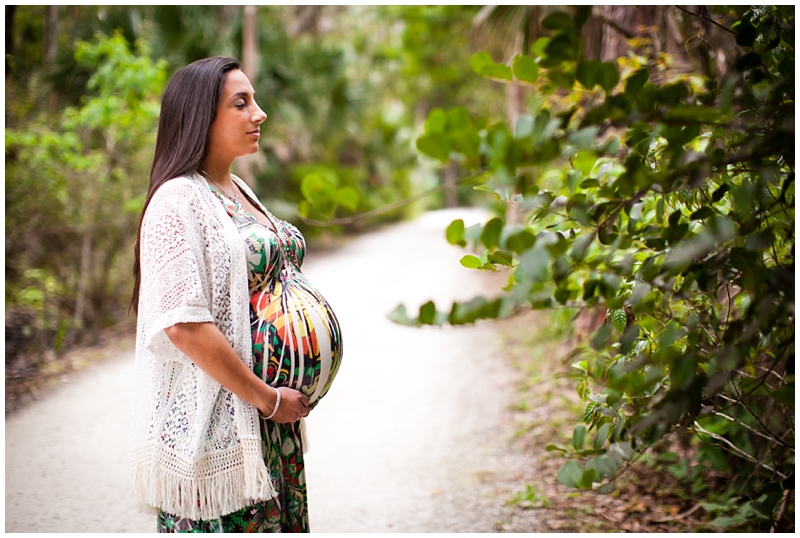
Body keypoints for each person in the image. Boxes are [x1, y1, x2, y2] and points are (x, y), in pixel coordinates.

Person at [130, 56, 343, 533]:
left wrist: (275, 405)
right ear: (199, 116)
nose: (259, 113)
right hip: (225, 428)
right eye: (241, 103)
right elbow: (184, 325)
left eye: (255, 100)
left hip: (271, 423)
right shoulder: (175, 200)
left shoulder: (239, 188)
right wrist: (266, 399)